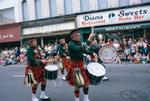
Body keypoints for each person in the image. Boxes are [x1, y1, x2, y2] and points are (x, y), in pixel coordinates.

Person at [67, 29, 96, 101]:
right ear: (73, 36)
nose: (79, 36)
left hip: (81, 64)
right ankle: (77, 99)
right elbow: (79, 49)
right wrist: (89, 39)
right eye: (78, 35)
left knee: (86, 83)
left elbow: (83, 50)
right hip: (75, 66)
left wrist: (92, 53)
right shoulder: (70, 44)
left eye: (79, 35)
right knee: (78, 84)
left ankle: (86, 98)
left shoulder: (78, 42)